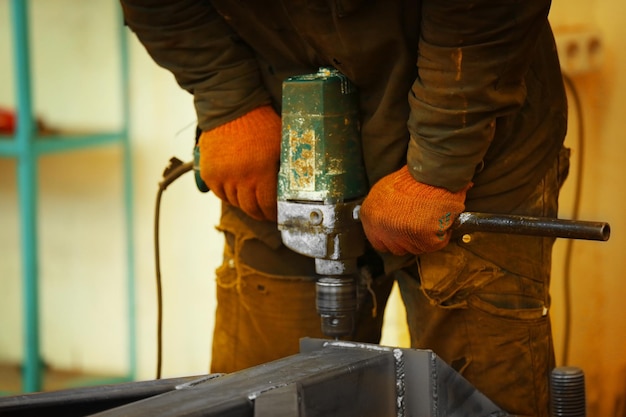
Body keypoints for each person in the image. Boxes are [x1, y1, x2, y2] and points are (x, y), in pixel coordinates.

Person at [121, 1, 569, 416]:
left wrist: (440, 162)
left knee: (478, 398)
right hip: (282, 146)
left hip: (477, 137)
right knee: (260, 392)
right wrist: (227, 101)